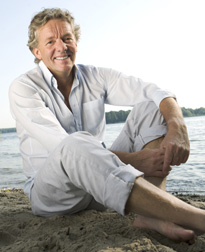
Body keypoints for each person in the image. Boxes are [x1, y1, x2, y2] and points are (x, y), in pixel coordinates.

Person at [9, 8, 205, 244]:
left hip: (99, 189)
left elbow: (155, 92)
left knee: (151, 107)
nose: (61, 47)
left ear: (76, 42)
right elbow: (61, 147)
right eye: (50, 41)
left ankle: (151, 215)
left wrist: (177, 126)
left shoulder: (95, 76)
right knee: (75, 142)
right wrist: (133, 160)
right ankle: (198, 218)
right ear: (37, 51)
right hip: (54, 195)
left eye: (67, 38)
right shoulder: (23, 88)